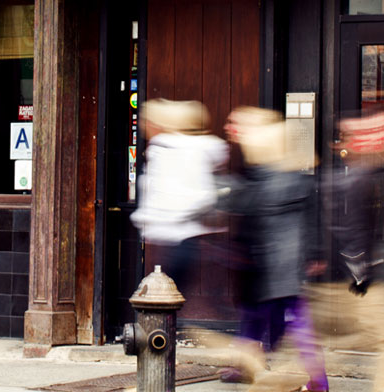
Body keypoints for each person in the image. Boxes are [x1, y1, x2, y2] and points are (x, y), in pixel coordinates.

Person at [219, 107, 328, 392]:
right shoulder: (294, 177)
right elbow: (311, 220)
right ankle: (315, 381)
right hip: (286, 268)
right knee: (281, 322)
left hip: (270, 268)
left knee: (288, 324)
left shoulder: (263, 179)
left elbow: (242, 211)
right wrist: (313, 254)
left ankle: (315, 381)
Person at [308, 108, 384, 392]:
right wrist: (361, 276)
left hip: (338, 281)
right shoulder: (362, 180)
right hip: (362, 284)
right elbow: (353, 232)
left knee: (303, 351)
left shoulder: (343, 179)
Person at [130, 99, 229, 292]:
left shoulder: (171, 152)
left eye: (147, 121)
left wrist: (159, 218)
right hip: (181, 237)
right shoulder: (174, 150)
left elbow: (197, 194)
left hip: (178, 237)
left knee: (167, 296)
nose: (145, 126)